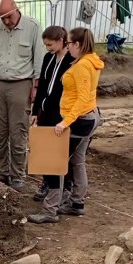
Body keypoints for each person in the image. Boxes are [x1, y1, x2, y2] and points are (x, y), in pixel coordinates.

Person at [0, 0, 44, 192]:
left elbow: (39, 59)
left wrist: (36, 87)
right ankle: (1, 171)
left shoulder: (32, 28)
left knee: (18, 133)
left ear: (17, 11)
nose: (6, 21)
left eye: (8, 16)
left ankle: (17, 175)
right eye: (2, 18)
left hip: (21, 84)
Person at [53, 27, 104, 219]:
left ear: (77, 44)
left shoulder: (83, 66)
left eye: (68, 43)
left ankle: (55, 201)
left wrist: (65, 122)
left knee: (59, 161)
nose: (67, 47)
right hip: (88, 116)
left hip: (81, 119)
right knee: (77, 160)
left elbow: (82, 98)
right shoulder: (90, 61)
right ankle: (76, 201)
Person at [28, 25, 74, 224]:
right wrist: (35, 111)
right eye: (45, 44)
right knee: (46, 153)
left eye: (50, 44)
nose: (47, 48)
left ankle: (61, 196)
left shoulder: (72, 61)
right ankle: (50, 187)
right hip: (46, 112)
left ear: (62, 40)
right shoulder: (48, 59)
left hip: (61, 114)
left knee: (58, 156)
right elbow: (43, 87)